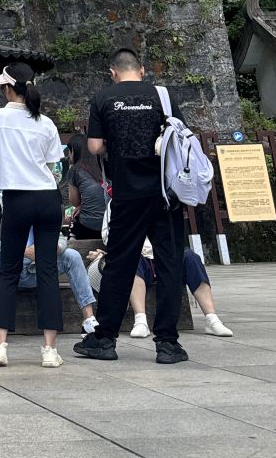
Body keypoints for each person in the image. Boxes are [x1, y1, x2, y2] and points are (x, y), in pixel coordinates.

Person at [73, 48, 190, 365]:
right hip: (166, 194)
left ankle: (105, 339)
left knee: (120, 263)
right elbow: (180, 137)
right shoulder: (162, 96)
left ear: (113, 72)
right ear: (142, 70)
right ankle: (167, 343)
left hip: (127, 195)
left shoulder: (103, 98)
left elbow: (94, 146)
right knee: (169, 263)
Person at [0, 64, 66, 368]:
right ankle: (50, 350)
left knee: (9, 270)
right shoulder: (46, 122)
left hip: (16, 196)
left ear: (8, 88)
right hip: (48, 197)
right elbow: (52, 165)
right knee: (48, 270)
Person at [66, 137, 108, 240]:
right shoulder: (104, 165)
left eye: (69, 151)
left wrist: (80, 205)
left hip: (89, 226)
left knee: (73, 222)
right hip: (111, 222)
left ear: (74, 151)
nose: (68, 155)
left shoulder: (75, 170)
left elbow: (74, 202)